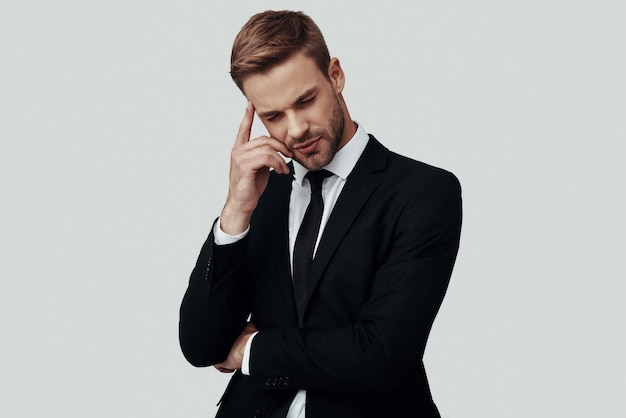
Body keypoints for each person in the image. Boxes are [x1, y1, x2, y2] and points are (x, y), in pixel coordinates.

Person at [179, 10, 462, 418]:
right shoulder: (261, 192)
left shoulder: (422, 192)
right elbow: (201, 344)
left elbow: (381, 354)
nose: (295, 130)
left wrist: (254, 350)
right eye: (273, 116)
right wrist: (235, 211)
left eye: (305, 101)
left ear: (336, 75)